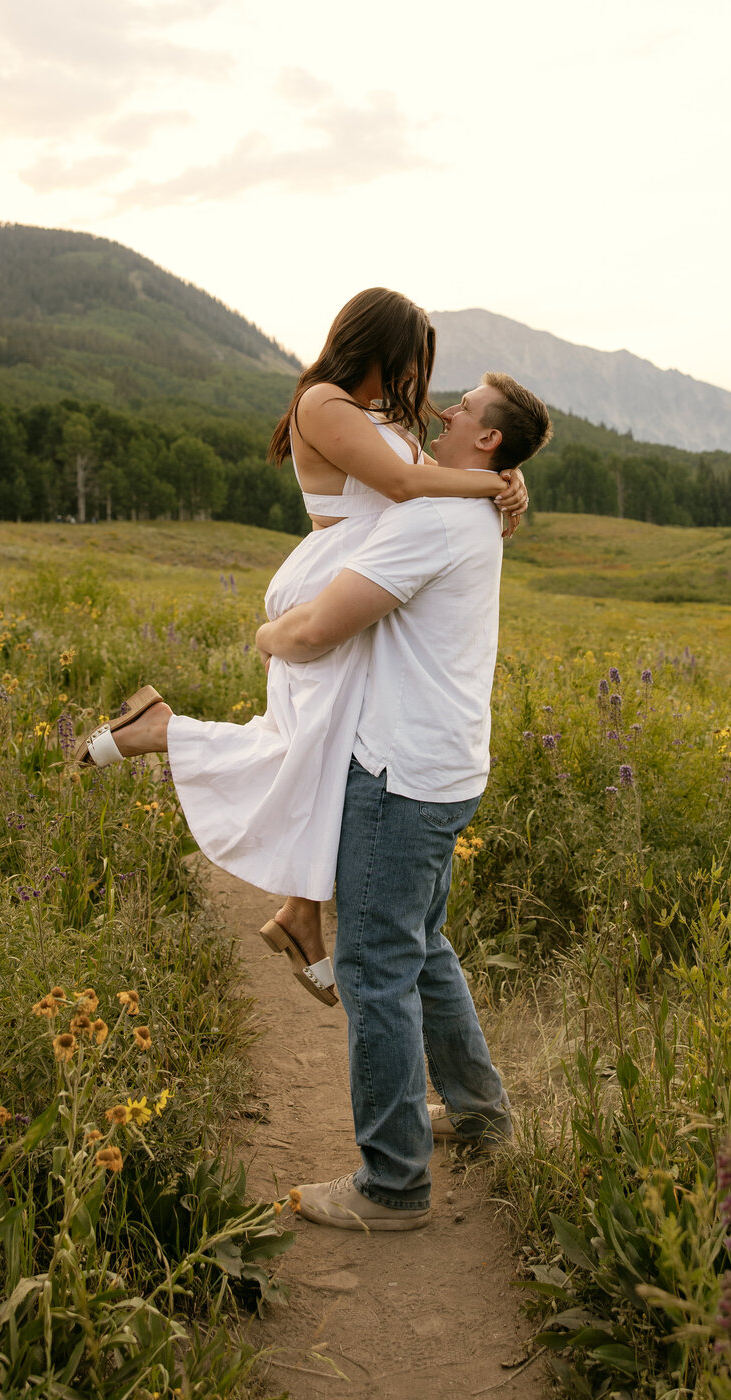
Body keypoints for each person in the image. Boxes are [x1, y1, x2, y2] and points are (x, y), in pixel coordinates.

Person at [70, 290, 528, 1005]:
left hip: (364, 584)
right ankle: (159, 731)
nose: (421, 380)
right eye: (414, 358)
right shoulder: (322, 403)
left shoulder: (379, 414)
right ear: (381, 346)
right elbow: (406, 482)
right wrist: (488, 480)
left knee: (322, 749)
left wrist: (507, 478)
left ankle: (300, 913)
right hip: (330, 584)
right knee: (304, 749)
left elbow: (426, 467)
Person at [253, 371, 552, 1229]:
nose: (447, 408)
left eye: (465, 408)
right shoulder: (477, 506)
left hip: (400, 777)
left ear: (488, 442)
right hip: (449, 766)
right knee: (421, 947)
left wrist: (270, 635)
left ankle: (392, 1185)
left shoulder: (433, 518)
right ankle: (481, 1113)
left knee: (374, 968)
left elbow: (318, 628)